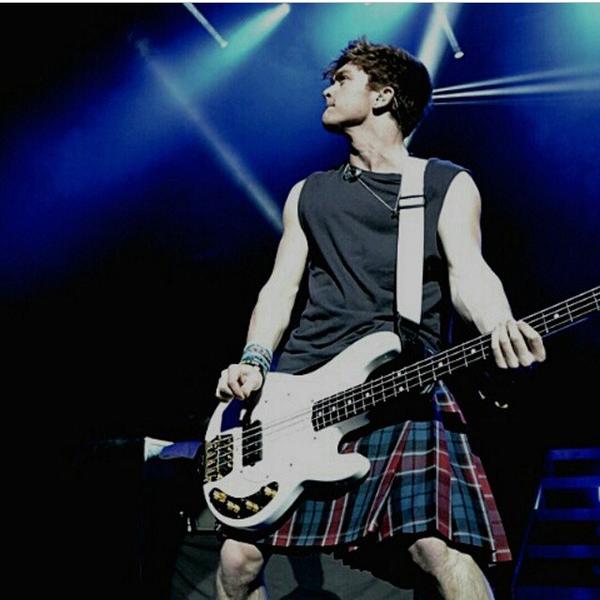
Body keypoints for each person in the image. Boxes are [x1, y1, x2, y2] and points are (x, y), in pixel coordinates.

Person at [213, 38, 546, 600]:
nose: (327, 89)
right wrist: (254, 359)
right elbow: (281, 288)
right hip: (298, 393)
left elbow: (469, 272)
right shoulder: (307, 193)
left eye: (342, 79)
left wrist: (500, 327)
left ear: (383, 96)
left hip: (399, 386)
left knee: (437, 548)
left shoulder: (444, 183)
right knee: (237, 559)